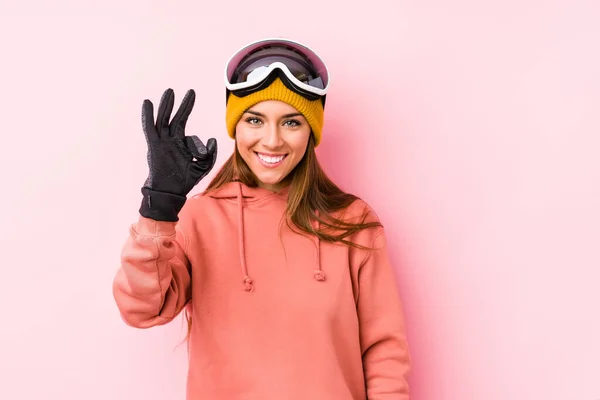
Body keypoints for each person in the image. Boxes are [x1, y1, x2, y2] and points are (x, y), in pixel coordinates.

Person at [112, 37, 411, 399]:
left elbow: (384, 355)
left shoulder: (353, 222)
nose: (271, 140)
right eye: (255, 119)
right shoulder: (199, 218)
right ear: (235, 126)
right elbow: (141, 309)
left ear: (312, 131)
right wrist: (158, 207)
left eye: (291, 122)